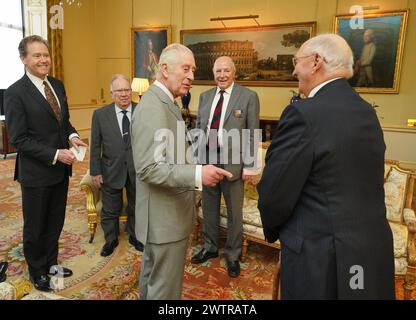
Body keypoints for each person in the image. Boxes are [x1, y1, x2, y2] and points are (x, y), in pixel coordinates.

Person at [257, 33, 395, 300]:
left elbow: (275, 190)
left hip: (320, 256)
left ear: (317, 61)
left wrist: (273, 227)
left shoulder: (303, 114)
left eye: (297, 61)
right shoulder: (366, 111)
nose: (294, 70)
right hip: (370, 250)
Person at [131, 43, 232, 300]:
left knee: (153, 280)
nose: (191, 76)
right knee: (164, 290)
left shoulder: (168, 102)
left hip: (166, 216)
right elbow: (149, 168)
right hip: (164, 219)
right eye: (186, 69)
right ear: (164, 69)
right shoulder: (153, 107)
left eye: (194, 70)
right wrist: (198, 175)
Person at [4, 35, 87, 292]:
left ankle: (51, 264)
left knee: (55, 221)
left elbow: (65, 123)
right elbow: (19, 139)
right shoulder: (15, 92)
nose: (44, 60)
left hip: (60, 171)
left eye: (46, 55)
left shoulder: (57, 85)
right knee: (36, 225)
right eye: (37, 55)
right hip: (36, 173)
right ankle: (37, 270)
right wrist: (55, 154)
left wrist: (73, 136)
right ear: (23, 59)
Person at [191, 56, 260, 278]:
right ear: (213, 73)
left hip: (234, 165)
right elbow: (200, 128)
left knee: (234, 212)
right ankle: (210, 247)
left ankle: (232, 255)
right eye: (218, 71)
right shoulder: (204, 97)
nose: (221, 75)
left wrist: (249, 166)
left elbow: (252, 132)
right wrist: (199, 161)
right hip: (208, 161)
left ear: (234, 72)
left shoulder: (248, 96)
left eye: (226, 71)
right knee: (209, 207)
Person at [90, 74, 143, 257]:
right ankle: (110, 239)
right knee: (110, 207)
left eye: (126, 90)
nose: (123, 94)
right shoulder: (100, 115)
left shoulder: (142, 110)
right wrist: (95, 171)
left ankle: (135, 236)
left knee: (137, 205)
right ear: (112, 93)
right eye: (119, 91)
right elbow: (95, 145)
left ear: (131, 91)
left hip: (137, 169)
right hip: (111, 168)